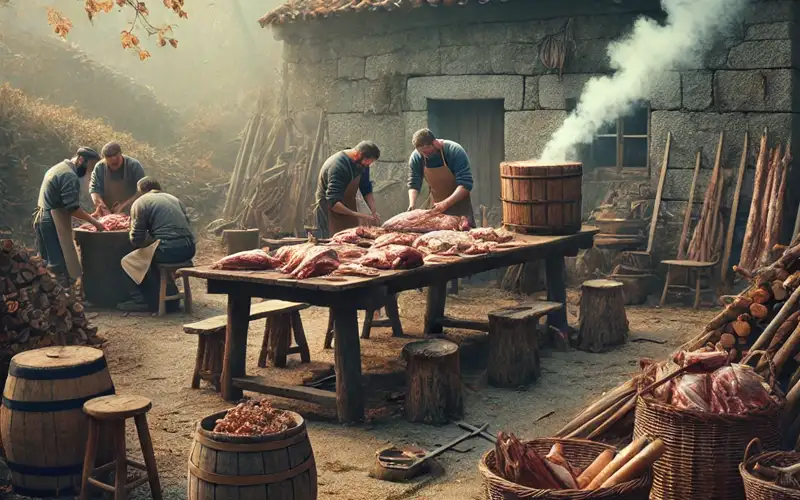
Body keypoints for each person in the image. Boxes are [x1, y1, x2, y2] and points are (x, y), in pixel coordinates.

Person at [118, 177, 196, 312]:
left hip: (167, 250)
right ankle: (169, 296)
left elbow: (136, 239)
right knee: (150, 257)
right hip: (189, 248)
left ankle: (142, 301)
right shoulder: (174, 199)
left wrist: (133, 229)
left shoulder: (141, 202)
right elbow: (186, 224)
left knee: (129, 261)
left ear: (141, 191)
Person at [34, 147, 106, 285]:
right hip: (52, 220)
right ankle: (63, 299)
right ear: (80, 160)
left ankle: (52, 297)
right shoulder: (68, 175)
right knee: (58, 264)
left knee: (46, 260)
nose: (88, 171)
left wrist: (91, 215)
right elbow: (72, 208)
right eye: (89, 167)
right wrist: (95, 222)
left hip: (43, 217)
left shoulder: (58, 168)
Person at [406, 128, 475, 227]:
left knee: (464, 232)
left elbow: (466, 184)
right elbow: (414, 182)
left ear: (435, 143)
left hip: (460, 202)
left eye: (428, 152)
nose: (426, 155)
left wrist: (445, 204)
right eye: (422, 153)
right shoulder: (417, 157)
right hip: (436, 204)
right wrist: (412, 205)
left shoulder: (454, 151)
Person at [313, 141, 381, 238]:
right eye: (367, 162)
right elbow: (334, 203)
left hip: (347, 206)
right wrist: (358, 215)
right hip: (330, 209)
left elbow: (366, 187)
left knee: (351, 240)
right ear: (358, 154)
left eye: (370, 163)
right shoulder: (338, 166)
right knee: (332, 242)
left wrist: (373, 211)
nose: (367, 165)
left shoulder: (362, 164)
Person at [89, 141, 145, 216]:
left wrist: (123, 206)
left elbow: (142, 191)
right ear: (104, 158)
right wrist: (103, 208)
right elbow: (94, 189)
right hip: (106, 212)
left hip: (131, 212)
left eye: (117, 160)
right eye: (111, 163)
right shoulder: (99, 168)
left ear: (121, 154)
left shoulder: (134, 166)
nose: (114, 161)